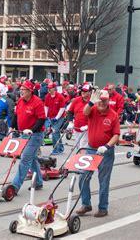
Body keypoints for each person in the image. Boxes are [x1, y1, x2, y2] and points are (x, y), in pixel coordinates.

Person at [76, 89, 120, 218]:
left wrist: (107, 146)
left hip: (105, 151)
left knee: (104, 180)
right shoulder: (93, 109)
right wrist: (90, 102)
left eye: (104, 101)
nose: (101, 103)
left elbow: (116, 135)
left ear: (108, 101)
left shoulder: (113, 115)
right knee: (83, 176)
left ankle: (103, 207)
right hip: (91, 148)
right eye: (100, 100)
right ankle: (86, 204)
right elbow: (84, 112)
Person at [9, 80, 46, 194]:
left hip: (35, 135)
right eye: (20, 90)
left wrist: (31, 130)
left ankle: (15, 186)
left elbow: (41, 119)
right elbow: (16, 115)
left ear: (30, 91)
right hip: (23, 133)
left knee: (25, 159)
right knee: (33, 159)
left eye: (23, 90)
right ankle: (39, 182)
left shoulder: (37, 102)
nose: (21, 92)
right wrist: (12, 127)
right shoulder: (20, 101)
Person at [66, 83, 91, 149]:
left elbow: (97, 117)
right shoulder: (76, 100)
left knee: (83, 148)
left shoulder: (92, 102)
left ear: (90, 92)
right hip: (77, 128)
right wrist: (70, 122)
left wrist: (88, 125)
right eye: (82, 90)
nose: (83, 92)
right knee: (78, 147)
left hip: (87, 129)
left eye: (85, 91)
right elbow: (70, 112)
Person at [44, 82, 66, 155]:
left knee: (54, 131)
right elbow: (46, 107)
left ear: (54, 88)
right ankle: (60, 148)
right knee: (56, 132)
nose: (49, 89)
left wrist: (57, 117)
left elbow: (62, 108)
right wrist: (46, 115)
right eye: (48, 88)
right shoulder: (47, 96)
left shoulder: (60, 97)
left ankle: (56, 149)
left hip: (59, 117)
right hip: (50, 116)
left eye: (50, 88)